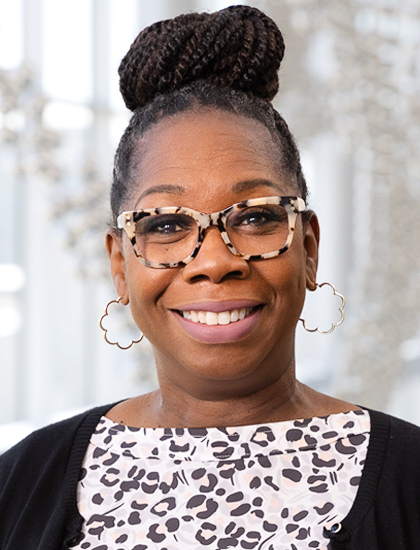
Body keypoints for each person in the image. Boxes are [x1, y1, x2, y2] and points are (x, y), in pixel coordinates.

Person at [1, 5, 420, 550]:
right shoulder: (20, 483)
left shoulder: (411, 481)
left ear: (309, 247)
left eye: (254, 217)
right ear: (119, 264)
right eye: (168, 224)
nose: (215, 260)